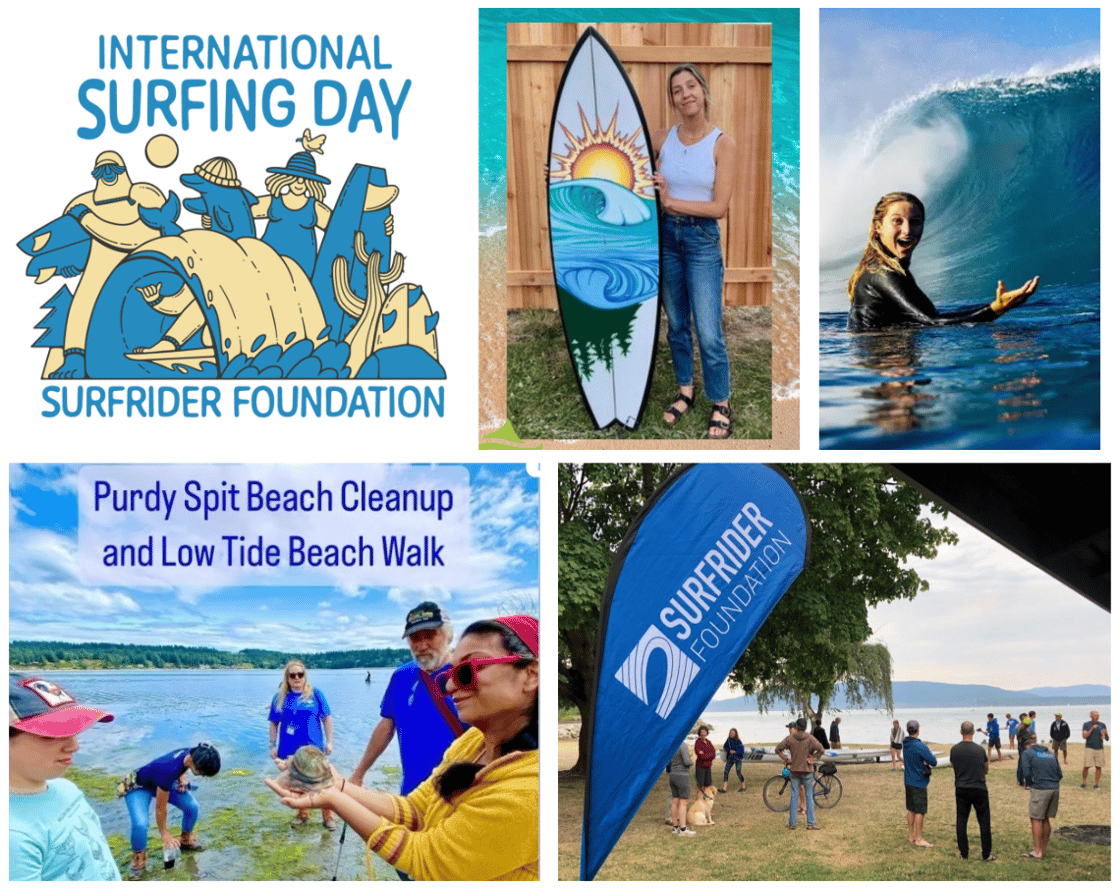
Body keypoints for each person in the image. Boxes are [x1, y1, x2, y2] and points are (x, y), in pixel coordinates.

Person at [267, 615, 540, 880]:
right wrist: (337, 785)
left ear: (531, 675)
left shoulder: (530, 791)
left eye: (468, 670)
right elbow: (416, 810)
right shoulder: (473, 742)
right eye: (452, 672)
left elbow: (427, 859)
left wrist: (335, 799)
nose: (449, 684)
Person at [653, 63, 738, 439]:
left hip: (702, 241)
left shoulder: (723, 143)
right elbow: (616, 160)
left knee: (709, 330)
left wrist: (671, 202)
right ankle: (685, 391)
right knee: (677, 325)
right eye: (677, 90)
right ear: (672, 100)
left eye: (691, 86)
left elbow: (719, 208)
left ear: (702, 91)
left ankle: (720, 401)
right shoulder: (662, 137)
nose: (685, 94)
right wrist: (561, 172)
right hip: (667, 239)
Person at [846, 192, 1039, 331]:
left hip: (881, 359)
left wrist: (995, 308)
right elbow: (932, 322)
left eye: (915, 221)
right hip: (886, 362)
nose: (907, 230)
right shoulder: (883, 274)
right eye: (897, 221)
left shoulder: (884, 269)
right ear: (878, 227)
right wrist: (995, 309)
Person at [9, 673, 119, 880]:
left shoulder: (66, 788)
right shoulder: (12, 836)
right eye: (51, 734)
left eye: (73, 730)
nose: (74, 746)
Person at [125, 743, 221, 879]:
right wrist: (165, 833)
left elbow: (183, 765)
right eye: (203, 773)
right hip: (139, 786)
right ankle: (139, 858)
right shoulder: (169, 769)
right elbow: (160, 807)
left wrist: (182, 778)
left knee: (192, 806)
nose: (202, 776)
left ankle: (185, 840)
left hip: (164, 781)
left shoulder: (193, 752)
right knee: (140, 824)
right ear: (196, 766)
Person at [253, 131, 334, 276]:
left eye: (305, 179)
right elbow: (240, 212)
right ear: (287, 177)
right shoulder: (273, 201)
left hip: (301, 271)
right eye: (296, 177)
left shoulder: (315, 208)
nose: (300, 182)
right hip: (266, 264)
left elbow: (339, 230)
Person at [269, 659, 335, 829]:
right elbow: (274, 723)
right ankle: (303, 813)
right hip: (290, 750)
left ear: (305, 676)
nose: (297, 678)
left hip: (314, 749)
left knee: (323, 783)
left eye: (300, 674)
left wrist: (329, 742)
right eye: (293, 675)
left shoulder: (316, 694)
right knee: (298, 784)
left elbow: (326, 719)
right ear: (287, 678)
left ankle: (328, 816)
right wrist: (272, 745)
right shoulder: (280, 697)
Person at [950, 721, 994, 861]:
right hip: (979, 787)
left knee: (962, 820)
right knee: (984, 821)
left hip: (962, 787)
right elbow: (986, 768)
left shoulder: (954, 749)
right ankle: (986, 854)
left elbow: (953, 766)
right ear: (973, 731)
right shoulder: (980, 750)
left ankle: (964, 853)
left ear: (960, 731)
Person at [775, 718, 824, 830]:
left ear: (796, 727)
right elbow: (821, 750)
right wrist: (813, 757)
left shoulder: (790, 738)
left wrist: (786, 759)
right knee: (809, 797)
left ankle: (792, 824)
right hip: (807, 770)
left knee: (794, 797)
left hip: (795, 770)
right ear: (805, 727)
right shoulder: (810, 738)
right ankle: (810, 823)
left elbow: (777, 749)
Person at [1018, 735, 1063, 859]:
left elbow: (1026, 772)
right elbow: (1060, 774)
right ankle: (1044, 848)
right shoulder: (1049, 753)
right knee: (1045, 818)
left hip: (1040, 789)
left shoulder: (1027, 753)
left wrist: (1029, 784)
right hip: (1054, 788)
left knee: (1036, 818)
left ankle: (1037, 851)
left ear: (1026, 746)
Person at [902, 719, 937, 848]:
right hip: (918, 781)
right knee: (920, 810)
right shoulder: (919, 746)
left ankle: (911, 835)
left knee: (911, 808)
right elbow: (933, 761)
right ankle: (919, 838)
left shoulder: (905, 744)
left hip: (908, 780)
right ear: (918, 730)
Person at [668, 740, 695, 836]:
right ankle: (683, 829)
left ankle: (675, 827)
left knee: (675, 801)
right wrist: (693, 760)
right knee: (684, 802)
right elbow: (687, 762)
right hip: (682, 776)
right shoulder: (682, 745)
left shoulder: (672, 744)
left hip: (673, 775)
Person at [1081, 710, 1108, 789]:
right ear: (1091, 716)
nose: (1097, 716)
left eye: (1098, 715)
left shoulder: (1102, 725)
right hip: (1089, 747)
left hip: (1099, 748)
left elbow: (1107, 738)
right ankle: (1084, 782)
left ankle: (1096, 784)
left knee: (1098, 767)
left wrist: (1105, 734)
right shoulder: (1086, 724)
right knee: (1086, 766)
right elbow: (1084, 736)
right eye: (1095, 715)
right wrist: (1092, 728)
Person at [693, 726, 716, 802]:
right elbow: (701, 756)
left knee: (708, 787)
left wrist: (706, 754)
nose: (703, 733)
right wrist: (709, 755)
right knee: (700, 788)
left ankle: (706, 807)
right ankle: (697, 807)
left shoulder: (709, 742)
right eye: (702, 732)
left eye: (704, 731)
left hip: (708, 767)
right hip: (700, 767)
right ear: (699, 733)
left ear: (707, 733)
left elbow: (714, 754)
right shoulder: (697, 743)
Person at [720, 727, 744, 793]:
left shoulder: (739, 741)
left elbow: (742, 750)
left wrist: (735, 752)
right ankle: (724, 788)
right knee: (726, 772)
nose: (731, 734)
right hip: (730, 758)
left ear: (735, 734)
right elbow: (725, 746)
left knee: (738, 772)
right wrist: (729, 750)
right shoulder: (728, 740)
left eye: (733, 733)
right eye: (730, 733)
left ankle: (743, 786)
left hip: (738, 759)